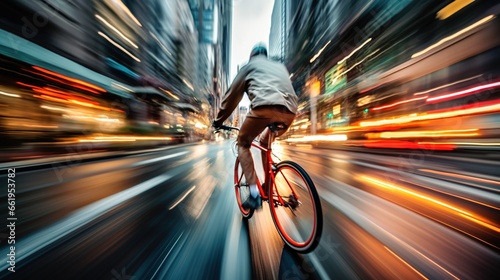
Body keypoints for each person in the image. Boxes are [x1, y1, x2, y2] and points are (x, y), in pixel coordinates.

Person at [212, 43, 298, 210]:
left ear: (252, 56)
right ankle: (267, 187)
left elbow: (231, 98)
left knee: (243, 143)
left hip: (264, 108)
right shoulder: (279, 66)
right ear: (265, 56)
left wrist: (218, 121)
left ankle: (254, 194)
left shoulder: (248, 67)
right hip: (290, 111)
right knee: (266, 141)